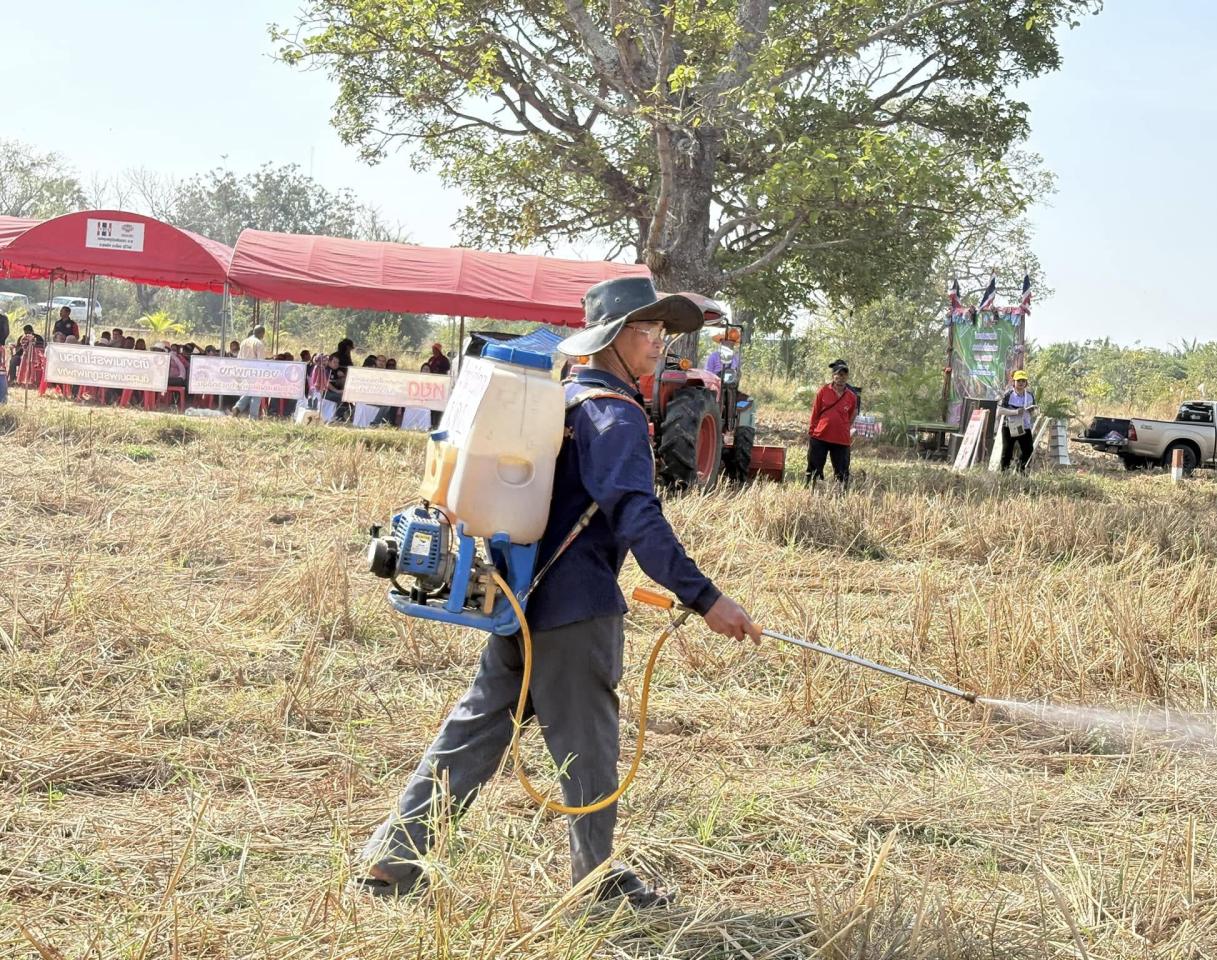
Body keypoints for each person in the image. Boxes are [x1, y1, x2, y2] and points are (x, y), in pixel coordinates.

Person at [354, 276, 760, 906]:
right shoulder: (614, 414)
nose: (659, 343)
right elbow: (638, 517)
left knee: (473, 732)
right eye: (647, 330)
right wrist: (706, 598)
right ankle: (596, 886)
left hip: (518, 598)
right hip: (576, 610)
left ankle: (392, 858)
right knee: (590, 751)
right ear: (612, 338)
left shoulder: (560, 401)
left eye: (661, 331)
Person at [806, 360, 858, 488]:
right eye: (838, 375)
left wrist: (843, 427)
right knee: (814, 469)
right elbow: (815, 412)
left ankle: (840, 493)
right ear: (833, 376)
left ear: (847, 377)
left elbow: (851, 415)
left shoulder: (851, 396)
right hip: (820, 436)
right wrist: (812, 431)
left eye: (844, 375)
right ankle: (812, 490)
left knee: (842, 473)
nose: (841, 378)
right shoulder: (823, 391)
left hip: (841, 439)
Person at [997, 370, 1037, 472]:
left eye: (1023, 381)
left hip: (1025, 426)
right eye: (1018, 380)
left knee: (1028, 450)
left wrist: (1033, 411)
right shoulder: (1008, 395)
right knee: (1007, 451)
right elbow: (1000, 410)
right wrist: (1015, 412)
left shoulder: (1030, 395)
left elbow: (1033, 412)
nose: (1021, 383)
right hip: (1009, 426)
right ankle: (1004, 473)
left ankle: (1020, 469)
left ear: (1026, 383)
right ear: (1013, 382)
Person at [231, 325, 268, 419]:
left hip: (244, 371)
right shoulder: (258, 343)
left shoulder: (244, 342)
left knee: (249, 391)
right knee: (257, 394)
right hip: (254, 372)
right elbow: (261, 361)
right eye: (263, 334)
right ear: (261, 333)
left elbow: (239, 358)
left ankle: (238, 408)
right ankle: (253, 417)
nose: (263, 336)